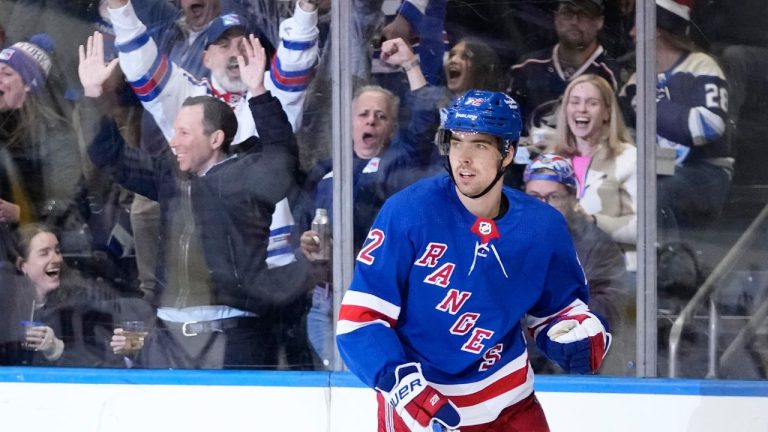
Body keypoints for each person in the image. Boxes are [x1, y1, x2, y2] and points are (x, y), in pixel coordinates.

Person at [336, 90, 611, 431]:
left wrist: (576, 333)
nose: (463, 158)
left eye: (479, 144)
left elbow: (558, 311)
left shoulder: (542, 226)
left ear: (507, 152)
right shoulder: (408, 212)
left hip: (511, 404)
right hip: (424, 409)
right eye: (456, 142)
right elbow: (359, 321)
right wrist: (398, 382)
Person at [81, 32, 307, 368]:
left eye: (184, 132)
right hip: (167, 340)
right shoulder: (168, 175)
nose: (173, 141)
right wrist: (93, 95)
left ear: (216, 138)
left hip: (235, 338)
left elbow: (283, 157)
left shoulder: (249, 177)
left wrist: (258, 92)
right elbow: (108, 153)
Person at [619, 0, 732, 239]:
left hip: (706, 171)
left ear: (655, 28)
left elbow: (708, 126)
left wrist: (651, 104)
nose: (631, 34)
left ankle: (668, 267)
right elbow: (623, 134)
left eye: (636, 26)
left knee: (655, 194)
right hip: (652, 170)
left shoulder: (702, 66)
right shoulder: (636, 80)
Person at [523, 153, 632, 375]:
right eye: (534, 197)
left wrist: (554, 318)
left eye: (554, 197)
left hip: (569, 358)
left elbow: (610, 306)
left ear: (573, 198)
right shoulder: (505, 239)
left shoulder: (597, 245)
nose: (543, 206)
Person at [0, 33, 85, 253]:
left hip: (28, 247)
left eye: (7, 73)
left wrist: (19, 213)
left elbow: (67, 205)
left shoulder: (55, 136)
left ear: (29, 85)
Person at [550, 74, 637, 272]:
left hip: (616, 272)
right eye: (575, 102)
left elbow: (646, 228)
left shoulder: (629, 158)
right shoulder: (551, 160)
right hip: (562, 268)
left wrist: (592, 221)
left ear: (607, 113)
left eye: (592, 103)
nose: (581, 109)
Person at [10, 223, 129, 367]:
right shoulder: (7, 308)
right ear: (22, 265)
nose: (57, 259)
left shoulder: (83, 303)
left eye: (57, 251)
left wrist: (57, 351)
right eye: (44, 253)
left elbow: (101, 365)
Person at [506, 0, 619, 144]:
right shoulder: (527, 67)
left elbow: (618, 133)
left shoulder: (610, 74)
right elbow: (506, 124)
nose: (574, 21)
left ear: (599, 22)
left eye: (584, 14)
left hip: (588, 162)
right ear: (556, 18)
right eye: (567, 13)